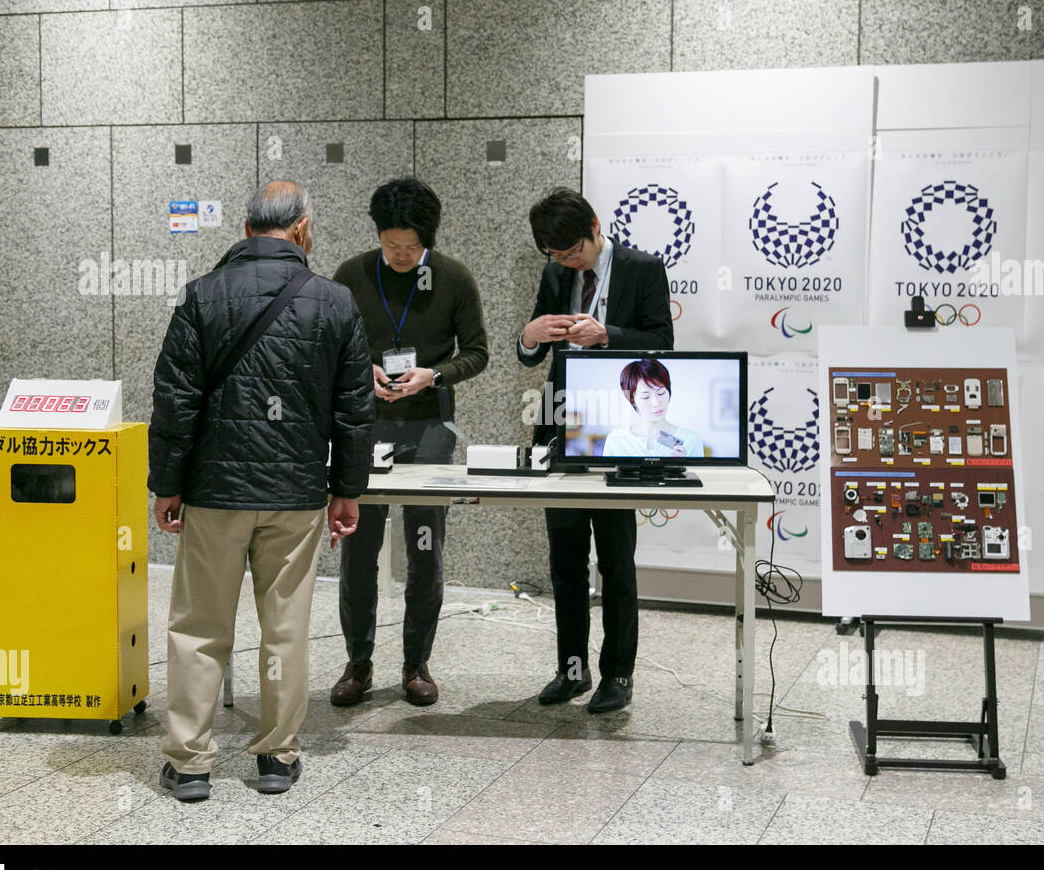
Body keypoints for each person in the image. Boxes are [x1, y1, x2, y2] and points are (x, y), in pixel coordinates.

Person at [149, 180, 374, 801]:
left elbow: (174, 402)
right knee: (285, 627)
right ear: (302, 229)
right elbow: (354, 411)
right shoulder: (335, 302)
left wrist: (167, 485)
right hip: (295, 494)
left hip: (215, 493)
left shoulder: (201, 295)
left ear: (247, 230)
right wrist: (346, 490)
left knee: (198, 626)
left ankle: (190, 763)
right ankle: (276, 758)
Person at [330, 176, 489, 707]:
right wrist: (362, 372)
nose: (400, 255)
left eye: (411, 247)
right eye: (391, 245)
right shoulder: (350, 276)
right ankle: (357, 662)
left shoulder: (453, 278)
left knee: (425, 549)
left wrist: (434, 375)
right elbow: (330, 347)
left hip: (428, 430)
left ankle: (417, 662)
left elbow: (479, 352)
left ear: (429, 240)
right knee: (358, 549)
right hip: (363, 427)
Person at [517, 187, 673, 713]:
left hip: (619, 427)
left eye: (573, 253)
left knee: (615, 561)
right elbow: (530, 354)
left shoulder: (641, 268)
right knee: (565, 561)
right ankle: (572, 670)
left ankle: (618, 676)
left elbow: (663, 344)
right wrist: (530, 336)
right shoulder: (556, 272)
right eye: (556, 256)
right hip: (562, 425)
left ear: (595, 227)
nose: (566, 262)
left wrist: (607, 335)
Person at [601, 358, 704, 458]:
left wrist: (682, 466)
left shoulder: (691, 440)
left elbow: (698, 475)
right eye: (646, 397)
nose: (655, 403)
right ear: (632, 400)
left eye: (661, 393)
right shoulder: (616, 440)